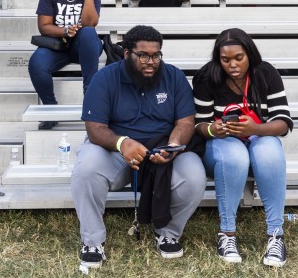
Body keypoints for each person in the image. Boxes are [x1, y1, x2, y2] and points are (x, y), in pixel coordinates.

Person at [71, 25, 205, 269]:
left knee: (194, 175)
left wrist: (173, 146)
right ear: (126, 54)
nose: (150, 62)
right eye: (143, 55)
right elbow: (95, 129)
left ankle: (168, 232)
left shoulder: (174, 77)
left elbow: (185, 122)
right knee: (86, 168)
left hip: (162, 148)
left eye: (156, 55)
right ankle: (92, 241)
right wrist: (122, 143)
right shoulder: (105, 78)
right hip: (116, 151)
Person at [193, 28, 293, 267]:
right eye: (225, 59)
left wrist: (255, 129)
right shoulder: (207, 77)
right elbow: (199, 125)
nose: (233, 65)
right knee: (235, 154)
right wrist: (213, 129)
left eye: (239, 58)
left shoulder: (266, 73)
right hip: (221, 145)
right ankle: (227, 234)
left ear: (249, 54)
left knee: (269, 147)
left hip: (258, 137)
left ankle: (276, 235)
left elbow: (283, 123)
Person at [28, 0, 102, 131]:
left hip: (83, 46)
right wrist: (65, 30)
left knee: (89, 33)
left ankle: (90, 99)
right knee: (36, 63)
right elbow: (44, 26)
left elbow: (90, 23)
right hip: (58, 46)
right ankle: (50, 109)